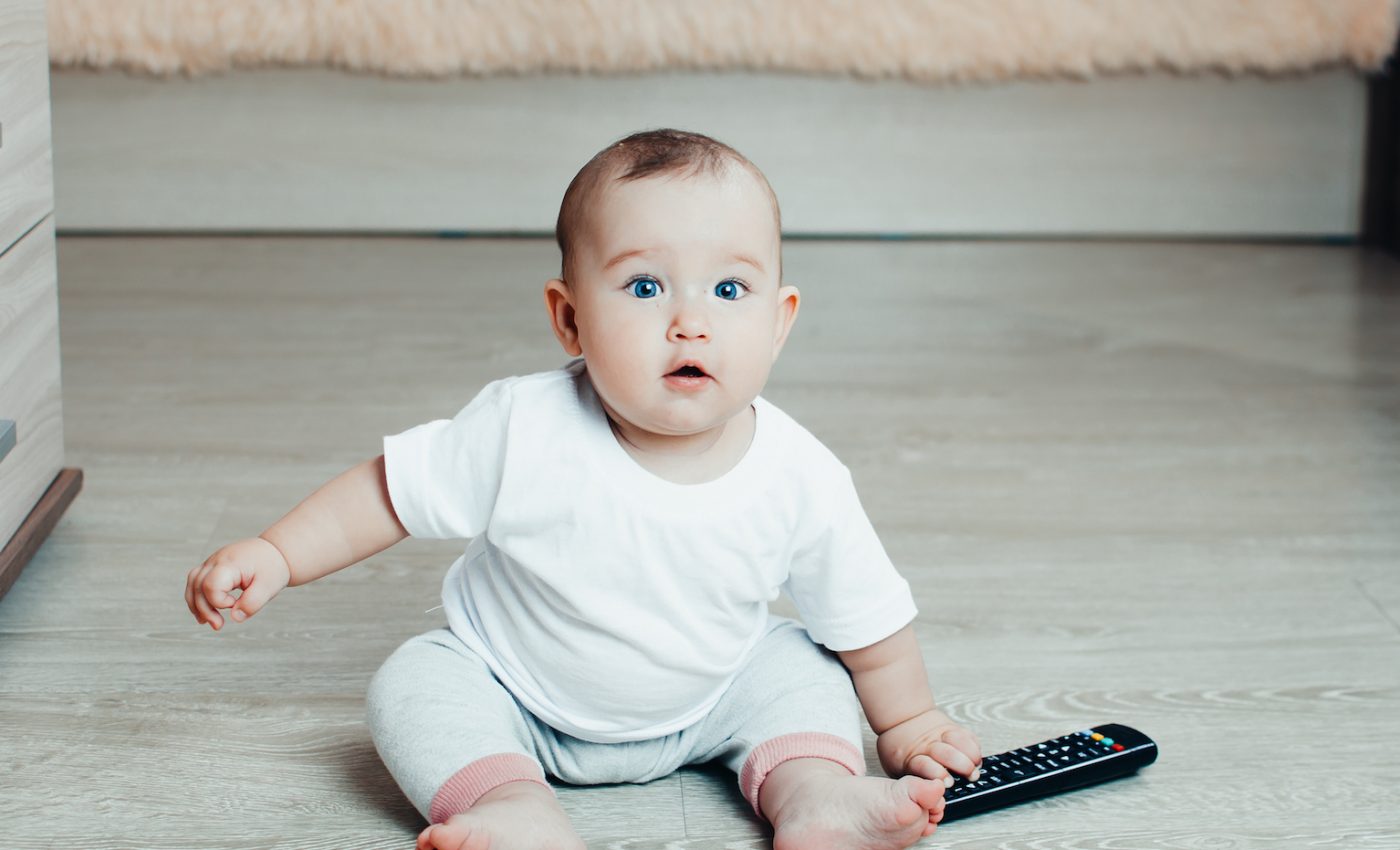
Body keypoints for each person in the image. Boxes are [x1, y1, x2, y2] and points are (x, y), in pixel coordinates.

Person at [185, 128, 983, 850]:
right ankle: (510, 806)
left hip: (715, 694)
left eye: (729, 292)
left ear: (780, 321)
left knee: (805, 669)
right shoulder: (520, 426)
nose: (689, 323)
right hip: (519, 695)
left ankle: (815, 796)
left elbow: (868, 618)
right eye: (644, 288)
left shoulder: (801, 474)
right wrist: (280, 552)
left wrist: (908, 721)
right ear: (568, 320)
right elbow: (388, 494)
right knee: (415, 682)